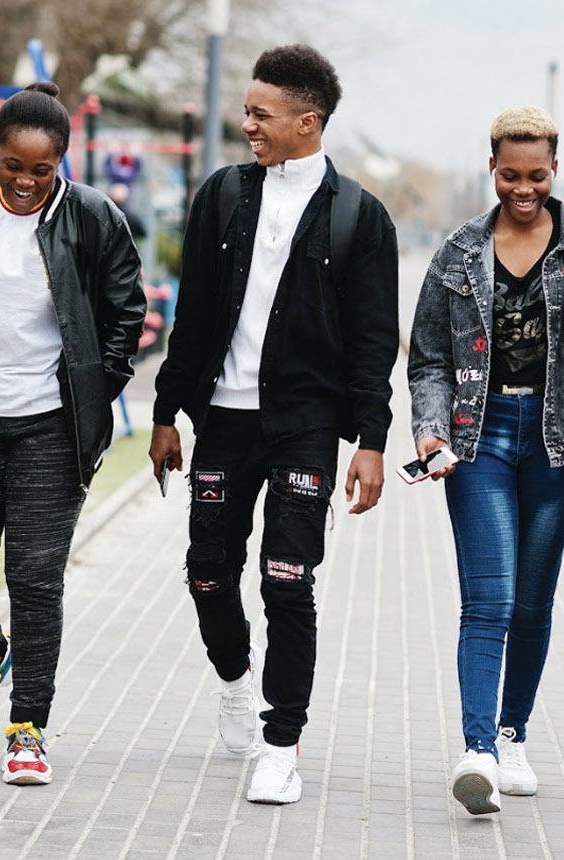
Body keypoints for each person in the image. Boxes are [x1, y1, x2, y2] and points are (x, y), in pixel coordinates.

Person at [148, 44, 399, 806]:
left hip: (305, 427)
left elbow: (373, 341)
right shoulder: (223, 195)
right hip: (223, 418)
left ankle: (281, 743)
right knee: (206, 571)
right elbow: (191, 318)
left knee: (288, 580)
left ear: (307, 121)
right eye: (248, 111)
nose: (247, 124)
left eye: (261, 114)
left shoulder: (360, 216)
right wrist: (164, 413)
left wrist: (371, 441)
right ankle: (234, 681)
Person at [0, 81, 146, 786]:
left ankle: (27, 729)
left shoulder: (95, 218)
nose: (24, 182)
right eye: (13, 165)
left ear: (62, 164)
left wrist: (94, 390)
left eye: (40, 170)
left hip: (53, 424)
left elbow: (124, 313)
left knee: (35, 578)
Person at [407, 106, 564, 816]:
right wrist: (430, 432)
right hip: (479, 439)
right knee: (489, 599)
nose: (521, 188)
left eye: (535, 175)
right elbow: (429, 355)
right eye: (508, 175)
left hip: (559, 444)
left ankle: (512, 733)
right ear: (491, 167)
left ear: (554, 170)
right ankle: (477, 753)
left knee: (532, 601)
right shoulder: (460, 250)